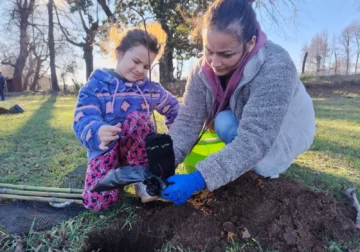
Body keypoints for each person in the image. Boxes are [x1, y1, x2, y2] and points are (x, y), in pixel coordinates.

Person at [161, 0, 316, 205]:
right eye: (209, 51)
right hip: (242, 118)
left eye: (226, 54)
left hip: (289, 125)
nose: (215, 63)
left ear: (250, 43)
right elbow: (187, 123)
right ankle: (243, 165)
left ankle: (266, 172)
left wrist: (200, 178)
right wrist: (163, 165)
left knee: (261, 163)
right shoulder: (201, 71)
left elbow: (255, 138)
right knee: (224, 122)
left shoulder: (276, 65)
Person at [73, 28, 180, 211]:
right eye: (136, 61)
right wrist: (97, 130)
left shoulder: (150, 90)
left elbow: (176, 109)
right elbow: (82, 118)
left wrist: (176, 138)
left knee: (139, 120)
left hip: (139, 156)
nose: (140, 70)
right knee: (98, 204)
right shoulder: (95, 86)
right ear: (120, 53)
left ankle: (142, 182)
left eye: (146, 66)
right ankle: (109, 184)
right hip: (105, 154)